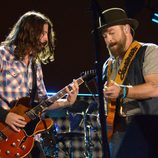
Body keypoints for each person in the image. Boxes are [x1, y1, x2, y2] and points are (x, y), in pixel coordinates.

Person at [0, 11, 79, 158]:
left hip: (25, 138)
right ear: (29, 32)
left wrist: (67, 101)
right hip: (4, 134)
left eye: (47, 34)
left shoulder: (35, 65)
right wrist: (4, 115)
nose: (45, 39)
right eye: (42, 33)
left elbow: (42, 102)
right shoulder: (3, 55)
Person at [98, 8, 158, 158]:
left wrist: (123, 91)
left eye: (111, 33)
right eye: (105, 36)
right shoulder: (108, 65)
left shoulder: (149, 51)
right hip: (117, 132)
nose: (108, 39)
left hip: (145, 130)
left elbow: (155, 88)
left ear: (126, 29)